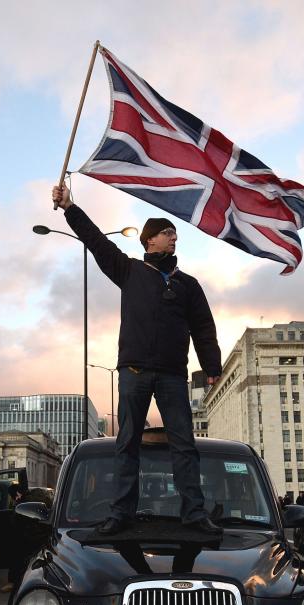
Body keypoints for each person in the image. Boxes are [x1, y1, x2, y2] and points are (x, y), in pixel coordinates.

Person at [53, 183, 222, 536]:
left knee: (184, 445)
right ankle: (121, 514)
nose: (173, 238)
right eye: (166, 233)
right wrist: (70, 207)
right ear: (148, 241)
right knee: (126, 444)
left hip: (173, 376)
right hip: (133, 372)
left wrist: (212, 369)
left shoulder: (188, 285)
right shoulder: (129, 271)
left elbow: (204, 328)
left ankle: (194, 513)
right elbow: (96, 241)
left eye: (175, 234)